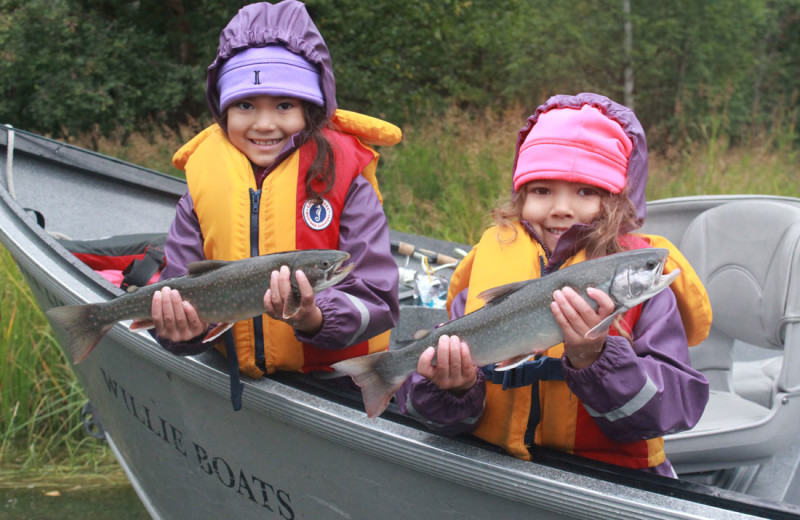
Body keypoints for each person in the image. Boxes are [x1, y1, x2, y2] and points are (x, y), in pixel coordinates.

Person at [395, 93, 712, 477]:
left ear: (616, 202)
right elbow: (436, 419)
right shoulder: (489, 264)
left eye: (585, 191)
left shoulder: (651, 299)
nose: (561, 208)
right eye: (542, 190)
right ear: (521, 198)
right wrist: (454, 389)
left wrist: (595, 360)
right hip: (498, 473)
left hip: (607, 482)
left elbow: (677, 409)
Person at [138, 1, 401, 390]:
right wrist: (180, 333)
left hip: (333, 379)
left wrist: (314, 317)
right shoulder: (201, 186)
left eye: (284, 105)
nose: (264, 124)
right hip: (230, 374)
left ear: (310, 110)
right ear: (223, 112)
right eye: (245, 105)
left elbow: (378, 298)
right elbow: (181, 280)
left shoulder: (348, 183)